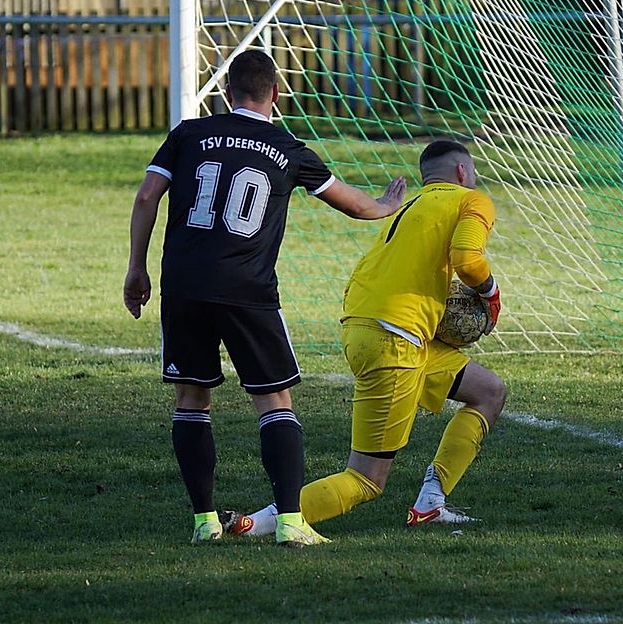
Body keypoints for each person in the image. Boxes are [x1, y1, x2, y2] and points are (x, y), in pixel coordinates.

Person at [123, 50, 406, 547]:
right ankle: (291, 523)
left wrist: (136, 267)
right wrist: (386, 204)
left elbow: (147, 196)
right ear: (275, 93)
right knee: (274, 401)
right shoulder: (288, 148)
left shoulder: (188, 134)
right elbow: (355, 206)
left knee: (191, 399)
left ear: (226, 92)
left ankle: (205, 523)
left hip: (184, 286)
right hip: (248, 290)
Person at [226, 140, 506, 539]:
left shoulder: (413, 205)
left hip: (375, 327)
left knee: (489, 392)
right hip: (395, 338)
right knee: (366, 478)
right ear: (462, 172)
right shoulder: (471, 200)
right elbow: (468, 259)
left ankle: (430, 503)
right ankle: (259, 524)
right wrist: (491, 295)